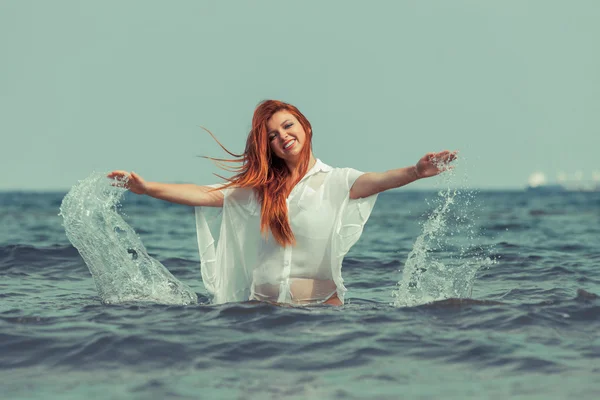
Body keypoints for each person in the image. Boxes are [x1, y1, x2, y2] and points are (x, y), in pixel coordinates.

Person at [108, 100, 456, 306]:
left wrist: (416, 170)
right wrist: (146, 187)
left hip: (323, 316)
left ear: (305, 126)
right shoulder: (258, 190)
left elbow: (380, 179)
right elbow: (203, 194)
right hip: (260, 316)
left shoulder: (338, 181)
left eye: (287, 126)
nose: (282, 136)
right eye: (272, 135)